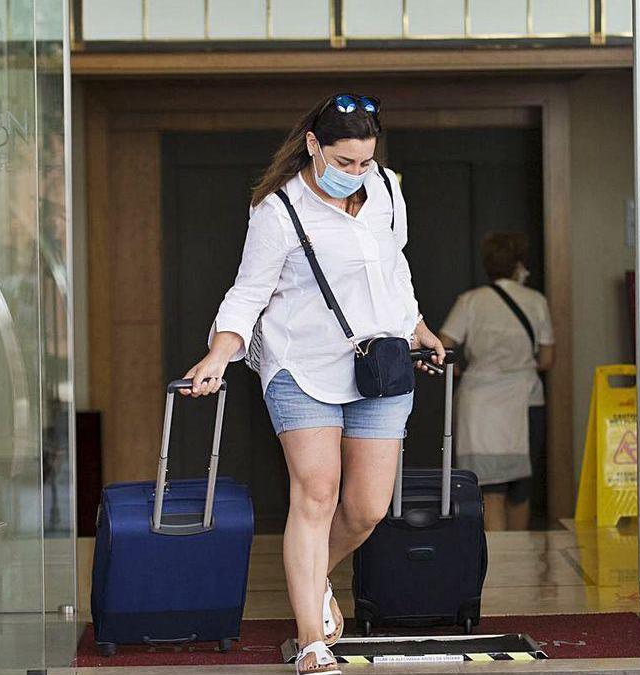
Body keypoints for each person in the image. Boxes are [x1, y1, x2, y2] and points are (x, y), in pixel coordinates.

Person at [180, 93, 445, 675]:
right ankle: (311, 643)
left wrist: (418, 327)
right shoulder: (279, 210)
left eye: (364, 162)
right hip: (300, 364)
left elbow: (394, 269)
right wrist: (219, 355)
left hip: (381, 362)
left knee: (369, 508)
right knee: (317, 491)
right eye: (344, 161)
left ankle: (311, 574)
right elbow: (248, 292)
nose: (355, 173)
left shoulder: (387, 192)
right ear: (312, 146)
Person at [440, 232, 554, 531]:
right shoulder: (536, 301)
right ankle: (522, 559)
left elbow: (444, 345)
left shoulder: (470, 302)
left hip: (479, 405)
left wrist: (462, 371)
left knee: (489, 491)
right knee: (520, 487)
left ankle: (499, 567)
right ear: (519, 266)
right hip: (524, 400)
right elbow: (547, 360)